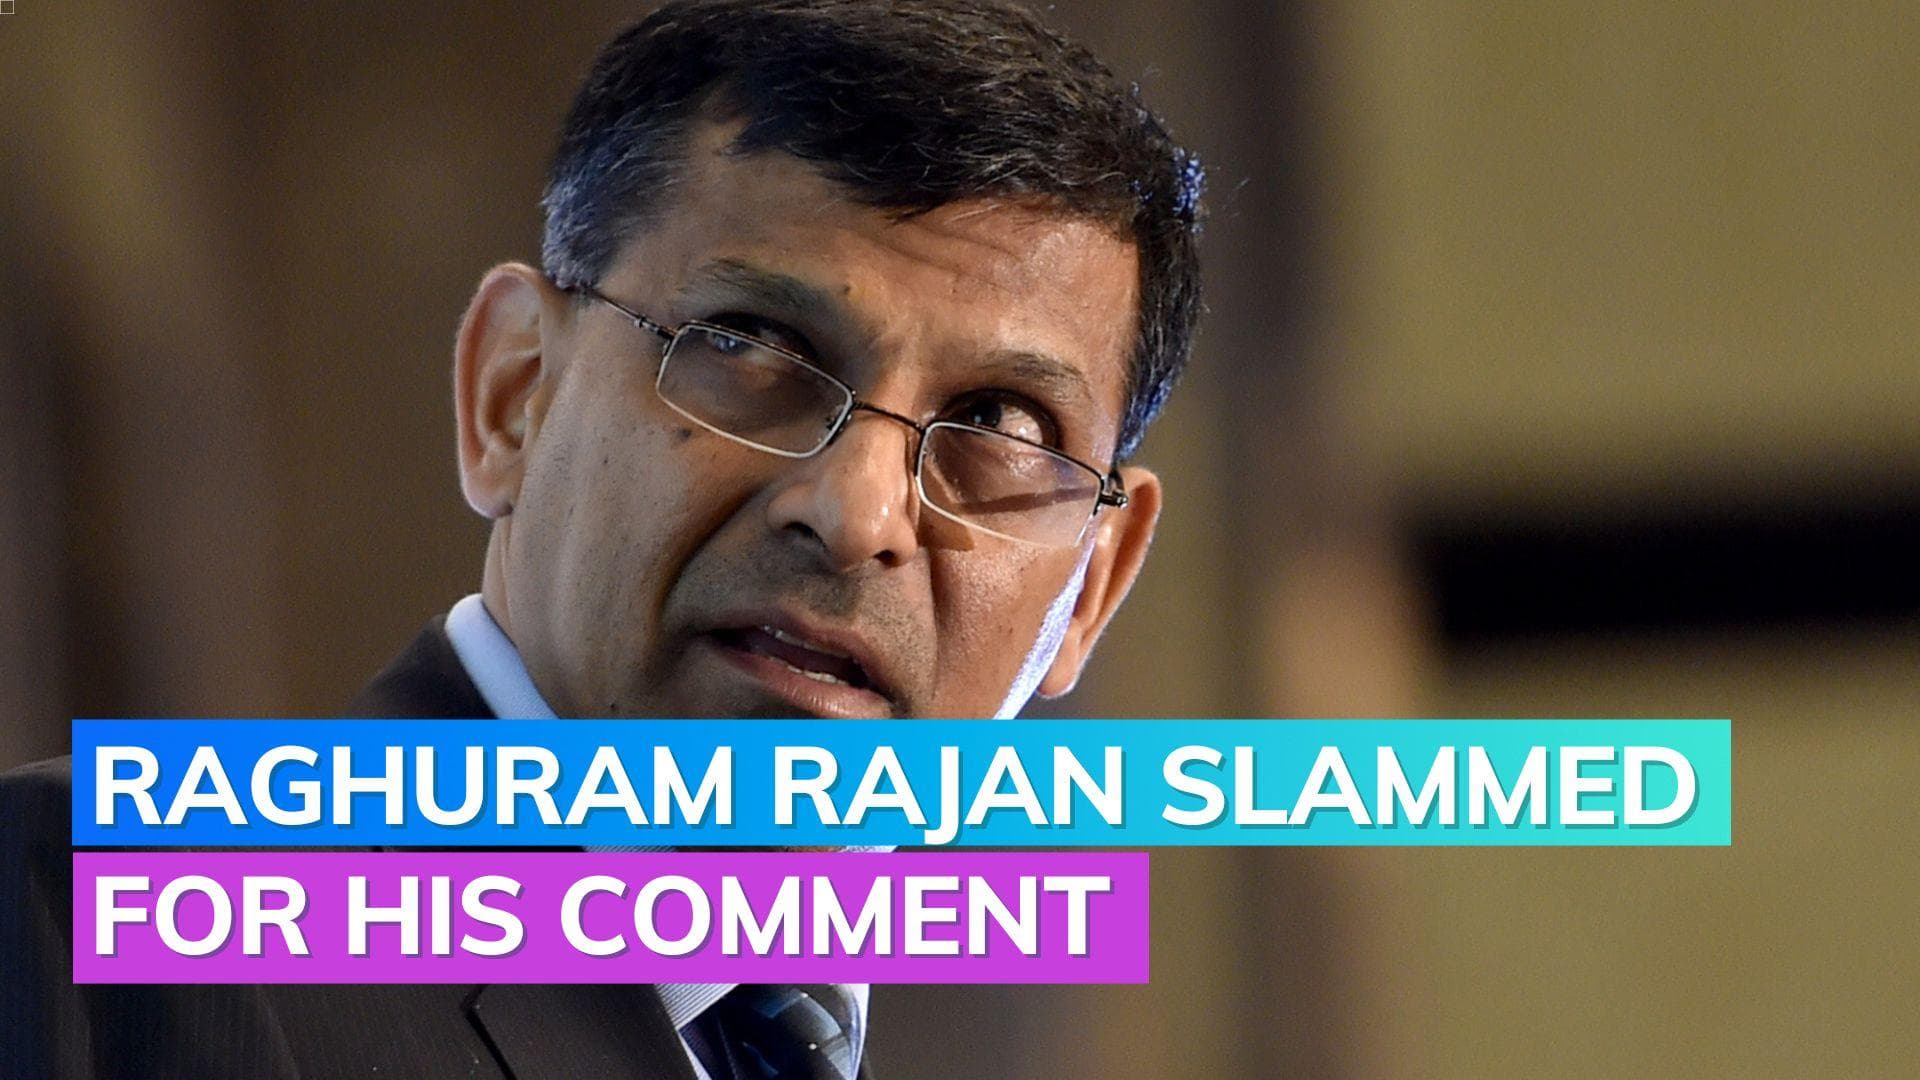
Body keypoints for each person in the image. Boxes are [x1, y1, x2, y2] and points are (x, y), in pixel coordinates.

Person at [0, 1, 1204, 1076]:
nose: (857, 516)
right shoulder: (86, 914)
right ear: (513, 394)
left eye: (999, 425)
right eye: (751, 345)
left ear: (1093, 586)